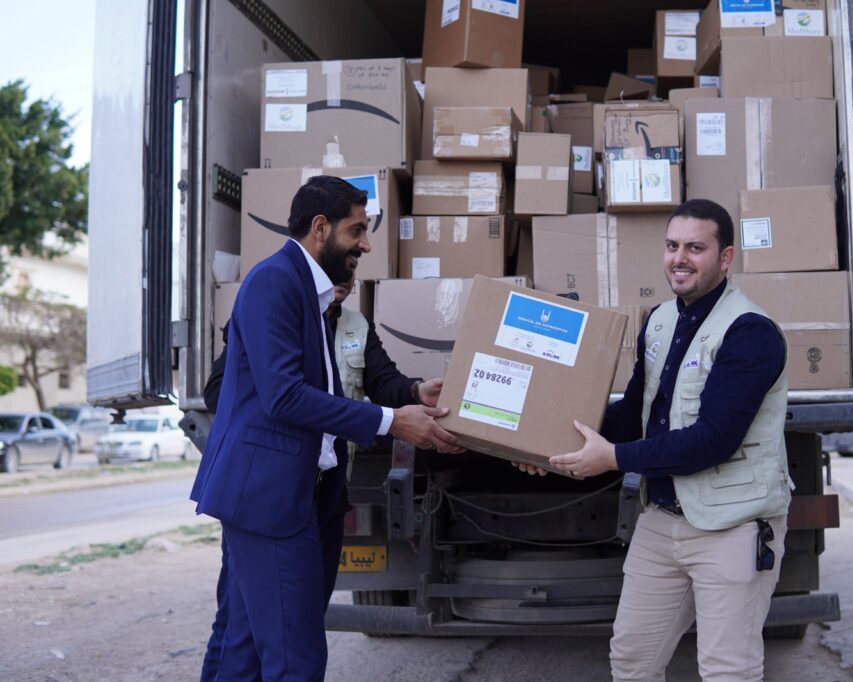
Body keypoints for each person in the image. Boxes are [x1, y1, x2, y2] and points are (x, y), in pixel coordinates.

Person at [190, 175, 461, 681]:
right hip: (270, 501)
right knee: (296, 660)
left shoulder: (318, 299)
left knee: (245, 649)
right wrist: (392, 422)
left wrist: (409, 395)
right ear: (321, 227)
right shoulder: (275, 282)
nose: (366, 242)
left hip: (305, 495)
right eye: (356, 230)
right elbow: (284, 395)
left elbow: (363, 379)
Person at [522, 199, 791, 681]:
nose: (679, 258)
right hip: (662, 520)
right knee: (632, 661)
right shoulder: (661, 320)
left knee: (727, 670)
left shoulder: (750, 332)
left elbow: (713, 440)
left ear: (725, 258)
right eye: (671, 246)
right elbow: (633, 414)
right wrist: (549, 444)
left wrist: (612, 459)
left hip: (732, 524)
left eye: (695, 247)